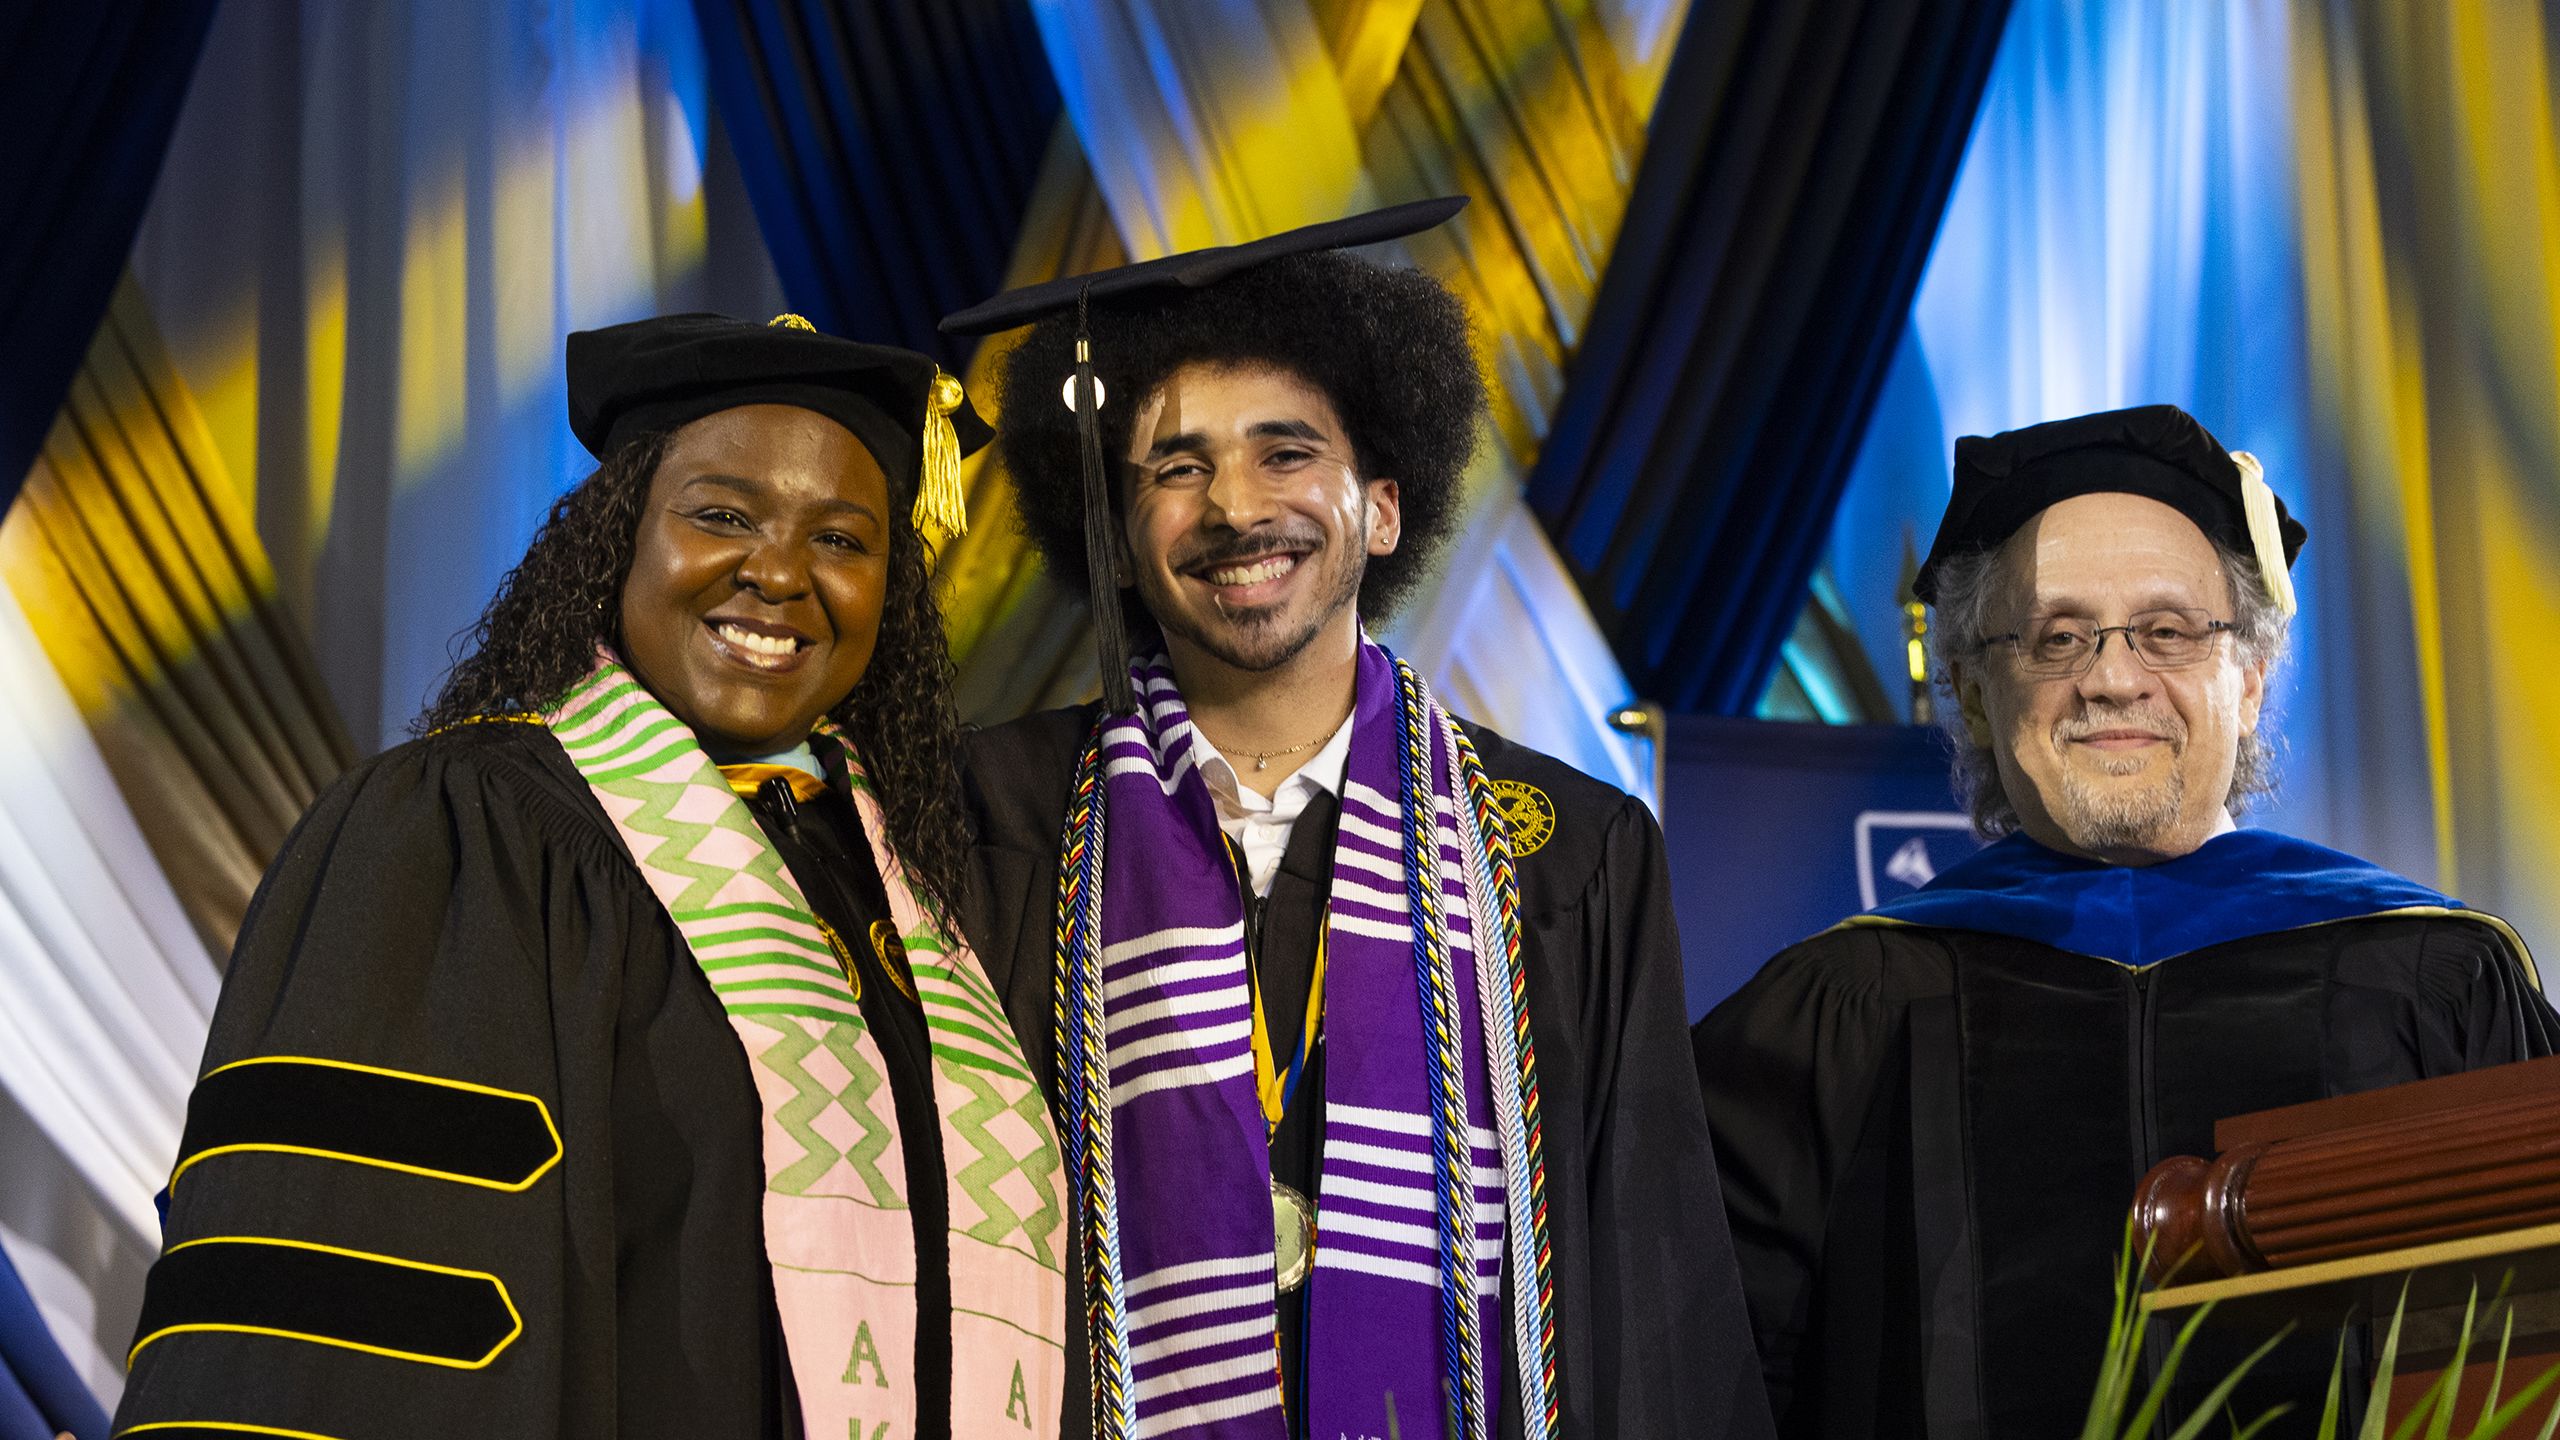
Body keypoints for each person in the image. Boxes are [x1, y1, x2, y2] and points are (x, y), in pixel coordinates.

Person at [110, 313, 1068, 1439]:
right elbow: (341, 1300)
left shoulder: (928, 889)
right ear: (619, 537)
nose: (778, 572)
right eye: (722, 516)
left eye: (843, 541)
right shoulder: (461, 833)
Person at [939, 200, 1771, 1440]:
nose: (1232, 506)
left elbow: (1649, 1275)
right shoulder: (982, 825)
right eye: (1176, 467)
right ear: (1115, 541)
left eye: (1285, 454)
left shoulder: (1562, 851)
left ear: (1382, 508)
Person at [1692, 404, 2558, 1438]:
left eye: (2166, 630)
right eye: (2056, 636)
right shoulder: (1836, 1015)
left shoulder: (2429, 973)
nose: (2110, 678)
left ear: (2249, 679)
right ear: (1973, 693)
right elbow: (1701, 1380)